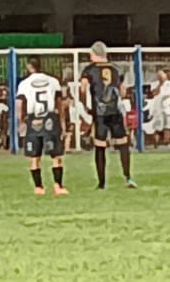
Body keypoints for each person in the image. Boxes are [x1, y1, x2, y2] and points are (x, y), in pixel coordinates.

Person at [80, 42, 135, 190]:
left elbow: (83, 89)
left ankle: (102, 183)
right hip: (115, 111)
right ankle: (128, 177)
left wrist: (85, 104)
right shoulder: (116, 69)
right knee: (123, 143)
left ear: (94, 54)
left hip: (100, 112)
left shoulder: (89, 70)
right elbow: (123, 90)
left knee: (100, 145)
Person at [18, 57, 68, 196]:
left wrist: (21, 121)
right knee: (56, 155)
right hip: (50, 119)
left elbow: (19, 104)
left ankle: (39, 187)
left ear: (29, 67)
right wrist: (62, 123)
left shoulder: (24, 84)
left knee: (35, 157)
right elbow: (60, 104)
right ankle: (58, 186)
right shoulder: (53, 81)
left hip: (33, 118)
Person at [147, 68, 170, 150]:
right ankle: (156, 145)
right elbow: (154, 93)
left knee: (168, 126)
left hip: (167, 108)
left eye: (162, 76)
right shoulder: (154, 84)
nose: (161, 78)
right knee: (157, 127)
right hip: (157, 109)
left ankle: (167, 142)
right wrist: (160, 84)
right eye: (159, 77)